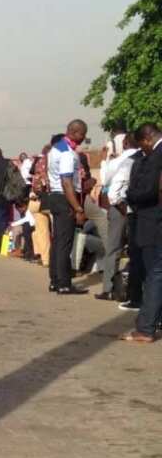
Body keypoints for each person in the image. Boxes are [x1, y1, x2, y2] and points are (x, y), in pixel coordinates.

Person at [121, 123, 162, 342]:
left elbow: (147, 190)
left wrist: (130, 196)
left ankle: (145, 328)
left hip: (154, 220)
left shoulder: (155, 157)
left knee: (154, 274)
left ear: (146, 139)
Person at [46, 121, 89, 295]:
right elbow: (66, 182)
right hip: (65, 199)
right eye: (83, 134)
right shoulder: (66, 153)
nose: (84, 137)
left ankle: (55, 280)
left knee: (57, 242)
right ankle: (64, 283)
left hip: (56, 198)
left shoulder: (55, 148)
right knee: (64, 243)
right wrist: (78, 208)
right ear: (75, 132)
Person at [96, 134, 138, 301]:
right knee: (136, 248)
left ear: (125, 143)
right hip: (138, 207)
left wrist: (105, 160)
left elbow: (106, 181)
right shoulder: (146, 158)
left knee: (114, 248)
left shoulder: (118, 161)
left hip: (119, 207)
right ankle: (134, 290)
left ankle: (108, 289)